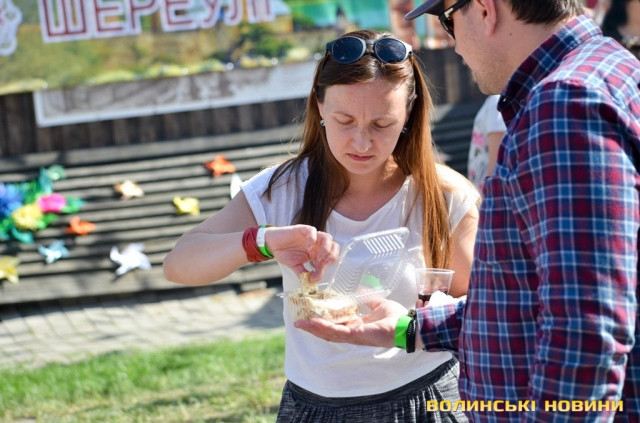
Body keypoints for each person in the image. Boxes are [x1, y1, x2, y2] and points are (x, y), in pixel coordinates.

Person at [296, 1, 640, 421]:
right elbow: (527, 298)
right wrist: (412, 327)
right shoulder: (606, 69)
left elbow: (584, 330)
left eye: (448, 21)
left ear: (484, 10)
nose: (454, 44)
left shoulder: (563, 106)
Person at [163, 29, 480, 422]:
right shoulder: (281, 189)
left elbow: (484, 309)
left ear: (409, 116)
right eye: (345, 120)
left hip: (429, 400)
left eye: (382, 124)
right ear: (319, 106)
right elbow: (179, 265)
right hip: (314, 405)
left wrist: (411, 324)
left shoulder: (443, 194)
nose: (361, 142)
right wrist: (262, 241)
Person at [466, 95, 506, 191]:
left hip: (488, 193)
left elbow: (496, 165)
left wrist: (490, 194)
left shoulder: (495, 102)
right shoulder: (492, 103)